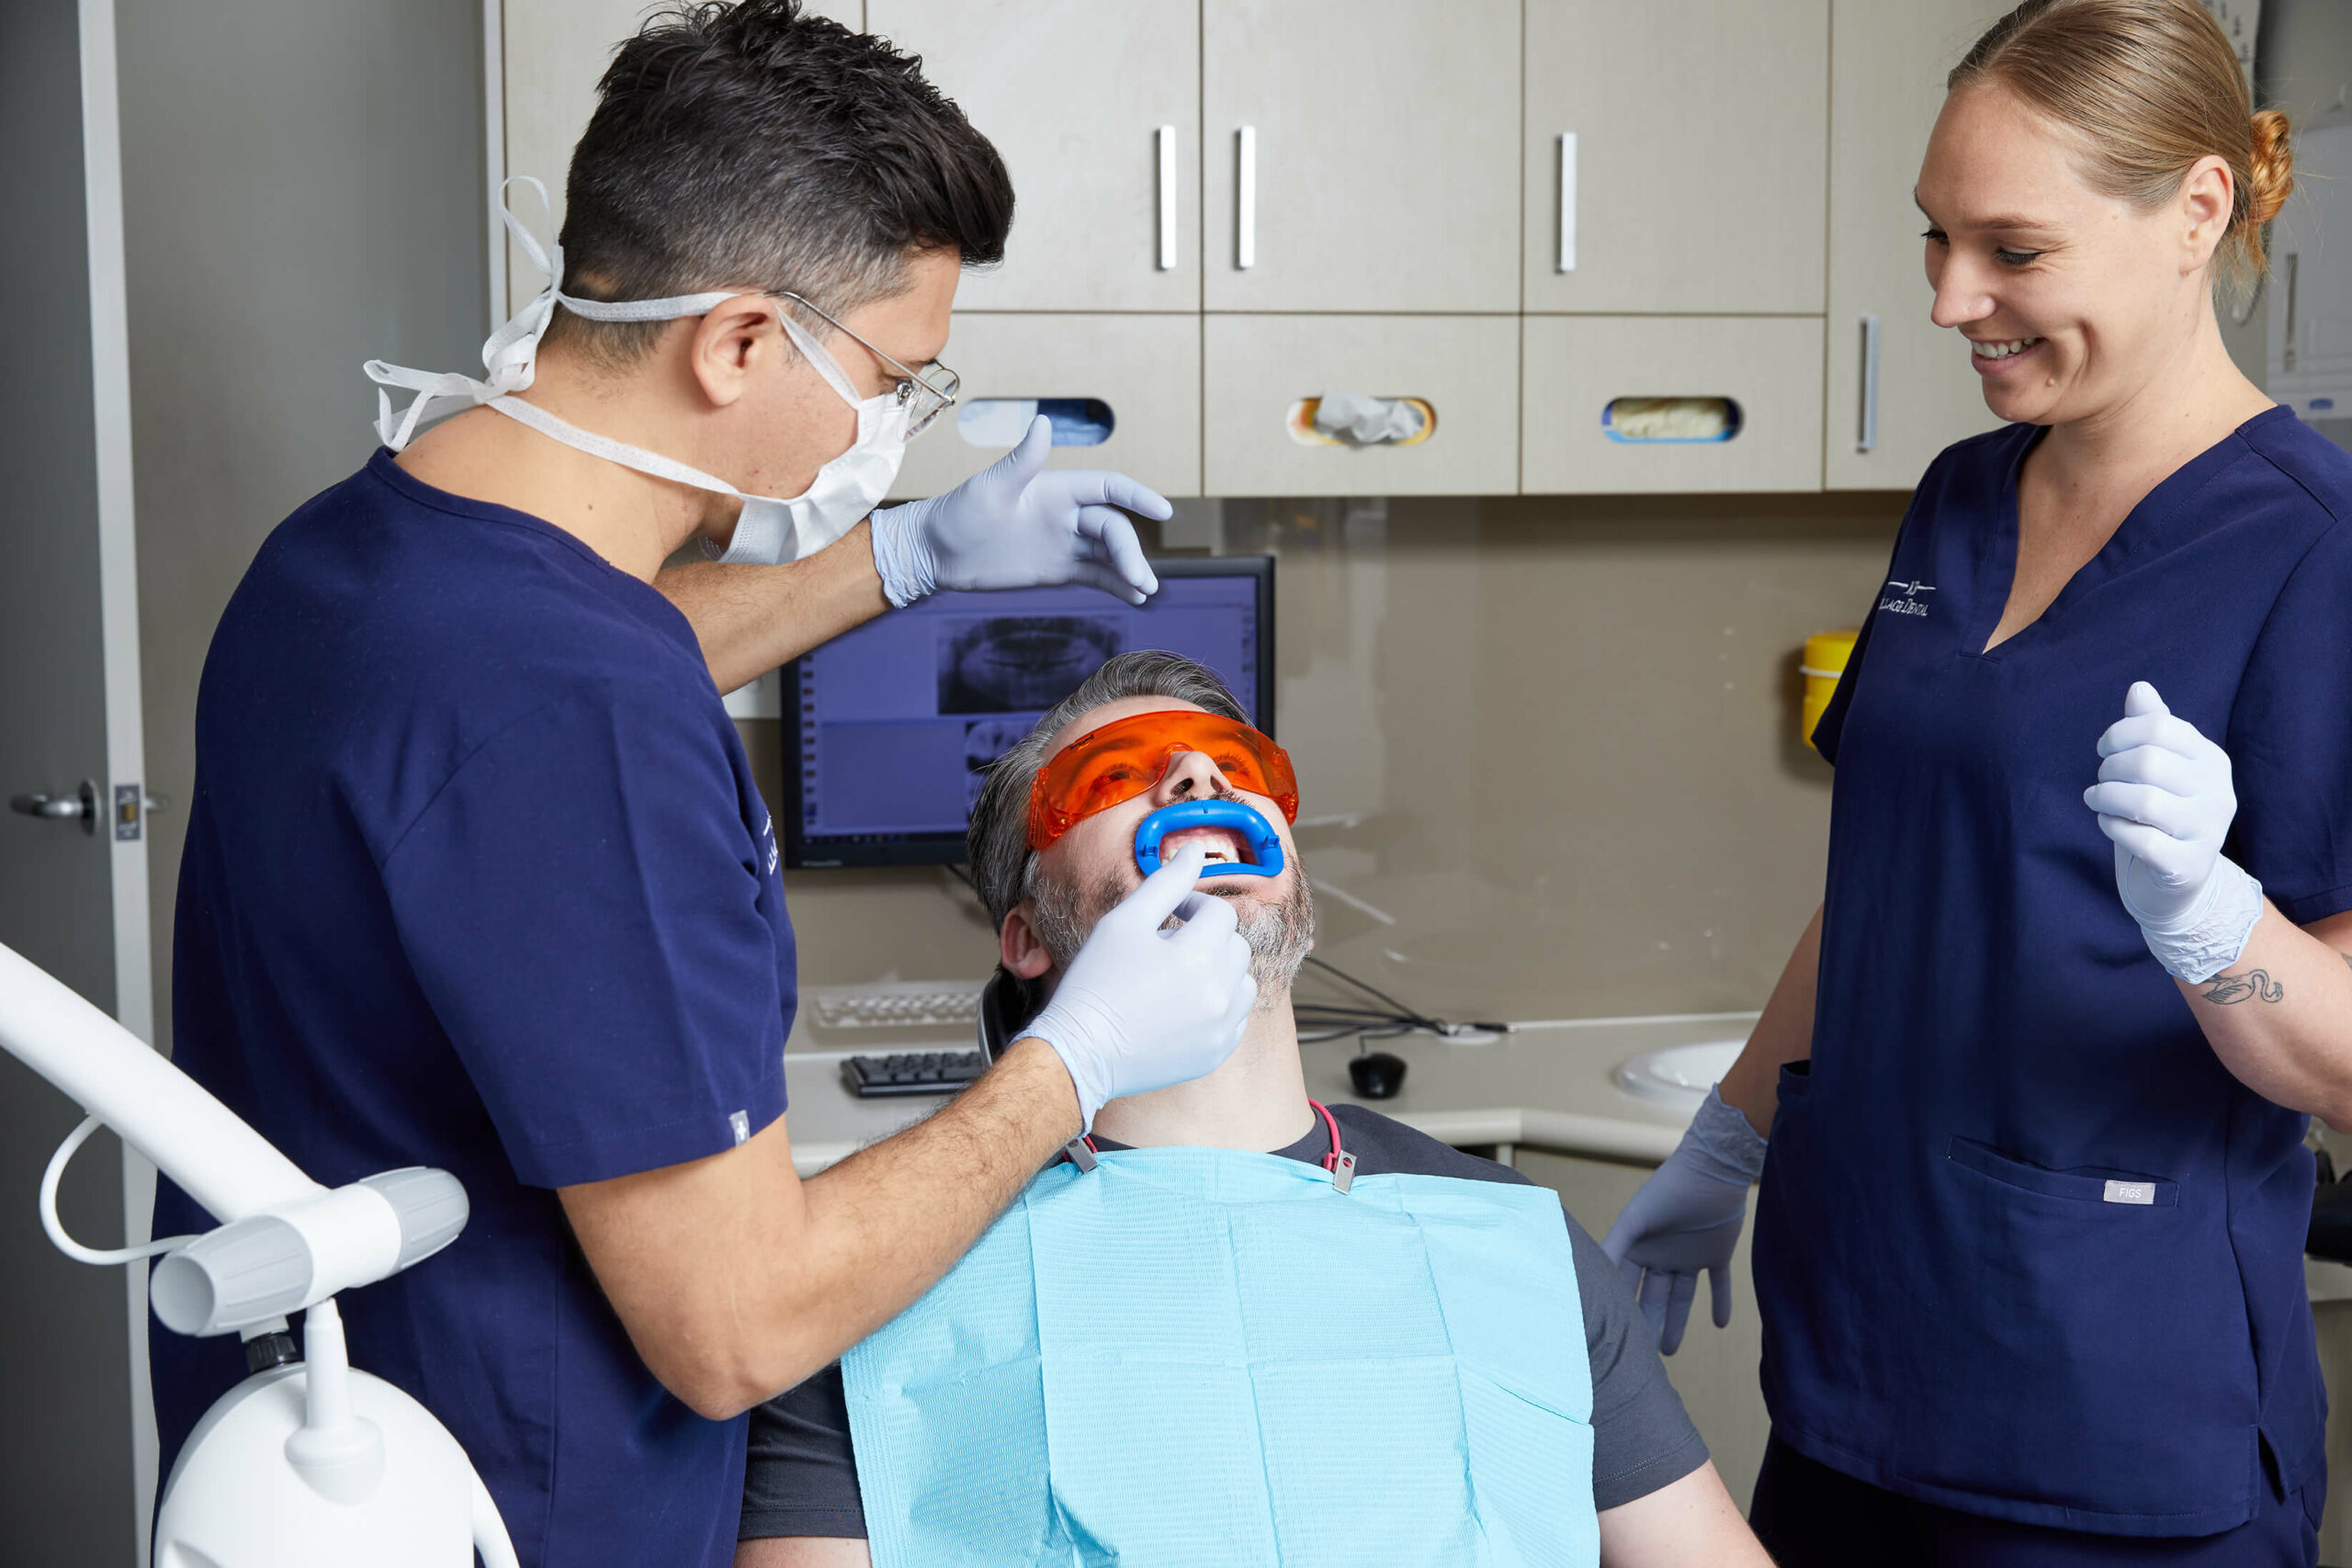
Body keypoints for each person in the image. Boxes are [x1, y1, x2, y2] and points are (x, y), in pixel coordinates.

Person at [151, 8, 1257, 1567]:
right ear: (736, 340)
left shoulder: (352, 556)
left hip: (306, 1459)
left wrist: (899, 556)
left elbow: (574, 663)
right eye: (897, 379)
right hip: (513, 1504)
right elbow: (739, 1326)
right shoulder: (575, 716)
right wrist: (1072, 1064)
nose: (894, 426)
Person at [1602, 1, 2347, 1562]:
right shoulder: (1960, 496)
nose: (1951, 299)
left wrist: (2217, 928)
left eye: (2011, 249)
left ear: (2196, 210)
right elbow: (1894, 875)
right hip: (1859, 1366)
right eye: (1936, 239)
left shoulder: (2313, 545)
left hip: (2111, 1414)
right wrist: (1731, 1134)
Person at [734, 651, 1773, 1568]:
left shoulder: (1514, 1243)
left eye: (1234, 766)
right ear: (1026, 938)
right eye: (1114, 778)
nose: (1198, 779)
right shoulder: (874, 1269)